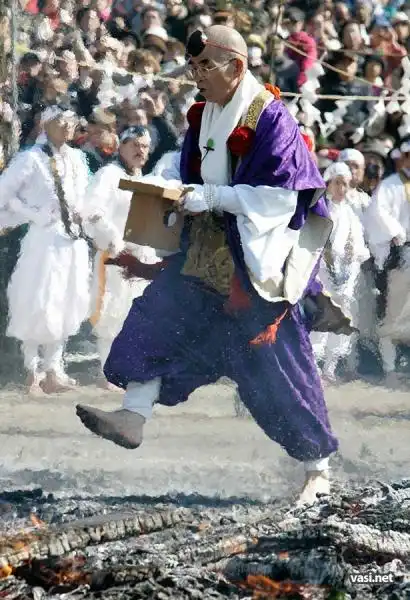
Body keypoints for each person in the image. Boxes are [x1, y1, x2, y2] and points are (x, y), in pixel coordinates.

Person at [76, 25, 343, 506]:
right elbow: (191, 177)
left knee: (277, 371)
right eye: (193, 67)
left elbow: (282, 199)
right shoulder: (202, 114)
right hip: (202, 258)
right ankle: (133, 415)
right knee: (155, 318)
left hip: (254, 268)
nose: (196, 75)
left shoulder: (271, 118)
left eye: (205, 66)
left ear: (236, 67)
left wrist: (214, 197)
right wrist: (173, 196)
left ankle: (317, 469)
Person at [0, 106, 91, 394]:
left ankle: (54, 369)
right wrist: (33, 213)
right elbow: (4, 194)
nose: (66, 126)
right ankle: (32, 369)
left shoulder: (77, 159)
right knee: (38, 299)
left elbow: (83, 196)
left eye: (70, 121)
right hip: (43, 240)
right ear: (46, 125)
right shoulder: (31, 158)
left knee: (67, 299)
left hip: (71, 240)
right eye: (60, 121)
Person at [84, 126, 161, 388]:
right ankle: (107, 372)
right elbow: (91, 211)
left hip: (142, 259)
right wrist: (113, 238)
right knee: (111, 313)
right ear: (121, 147)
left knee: (136, 313)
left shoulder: (149, 181)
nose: (140, 150)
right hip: (115, 256)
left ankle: (130, 371)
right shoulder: (109, 175)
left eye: (144, 146)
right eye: (134, 145)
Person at [311, 163, 369, 382]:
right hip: (322, 273)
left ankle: (331, 367)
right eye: (337, 183)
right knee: (321, 316)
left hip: (345, 275)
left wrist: (352, 253)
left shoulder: (350, 213)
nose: (341, 189)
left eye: (345, 184)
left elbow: (359, 246)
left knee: (342, 318)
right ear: (328, 184)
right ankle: (314, 367)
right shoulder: (320, 210)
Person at [364, 139, 410, 380]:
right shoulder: (391, 185)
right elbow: (377, 214)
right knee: (394, 313)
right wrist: (396, 233)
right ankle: (389, 368)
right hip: (402, 254)